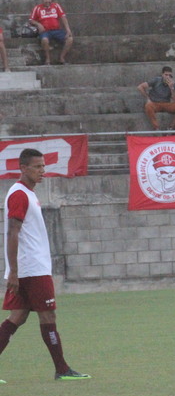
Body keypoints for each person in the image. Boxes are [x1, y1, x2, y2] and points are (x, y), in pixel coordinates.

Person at [0, 148, 91, 383]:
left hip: (29, 268)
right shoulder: (19, 194)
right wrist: (14, 272)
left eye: (43, 166)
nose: (43, 171)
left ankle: (62, 368)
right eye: (37, 167)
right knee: (48, 316)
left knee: (17, 317)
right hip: (31, 269)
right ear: (23, 168)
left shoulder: (27, 193)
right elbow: (12, 232)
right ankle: (62, 369)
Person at [137, 66, 175, 130]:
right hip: (155, 103)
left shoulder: (173, 84)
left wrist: (171, 88)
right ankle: (156, 127)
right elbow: (140, 87)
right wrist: (148, 98)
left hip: (167, 104)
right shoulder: (157, 80)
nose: (168, 77)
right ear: (162, 74)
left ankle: (172, 126)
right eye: (166, 75)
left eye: (170, 75)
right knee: (148, 106)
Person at [28, 0, 73, 66]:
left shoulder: (56, 6)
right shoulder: (37, 8)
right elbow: (31, 20)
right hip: (45, 31)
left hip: (57, 30)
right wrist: (38, 24)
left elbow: (63, 17)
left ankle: (61, 58)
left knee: (70, 39)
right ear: (42, 0)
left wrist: (68, 29)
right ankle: (47, 59)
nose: (48, 1)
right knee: (44, 40)